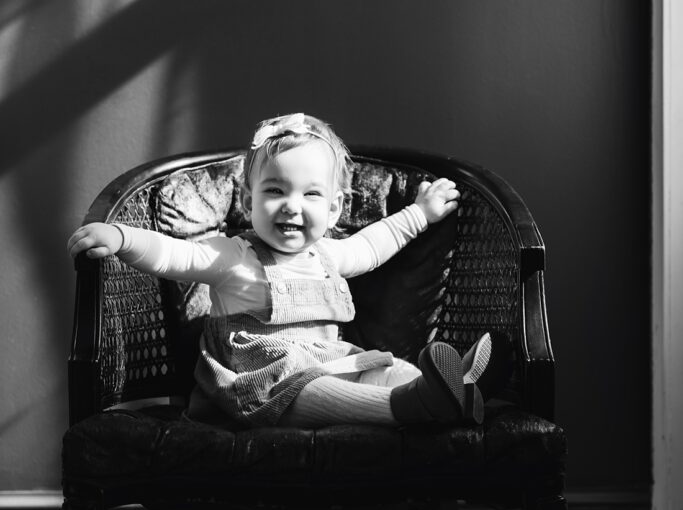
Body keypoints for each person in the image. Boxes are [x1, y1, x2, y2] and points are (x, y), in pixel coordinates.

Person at [68, 112, 509, 430]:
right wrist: (123, 238)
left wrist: (421, 212)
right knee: (307, 389)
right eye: (275, 190)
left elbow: (376, 243)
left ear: (334, 208)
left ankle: (452, 392)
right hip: (258, 388)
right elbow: (174, 256)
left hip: (328, 364)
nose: (291, 206)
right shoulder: (234, 257)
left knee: (386, 367)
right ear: (248, 202)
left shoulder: (329, 257)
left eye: (311, 194)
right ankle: (414, 406)